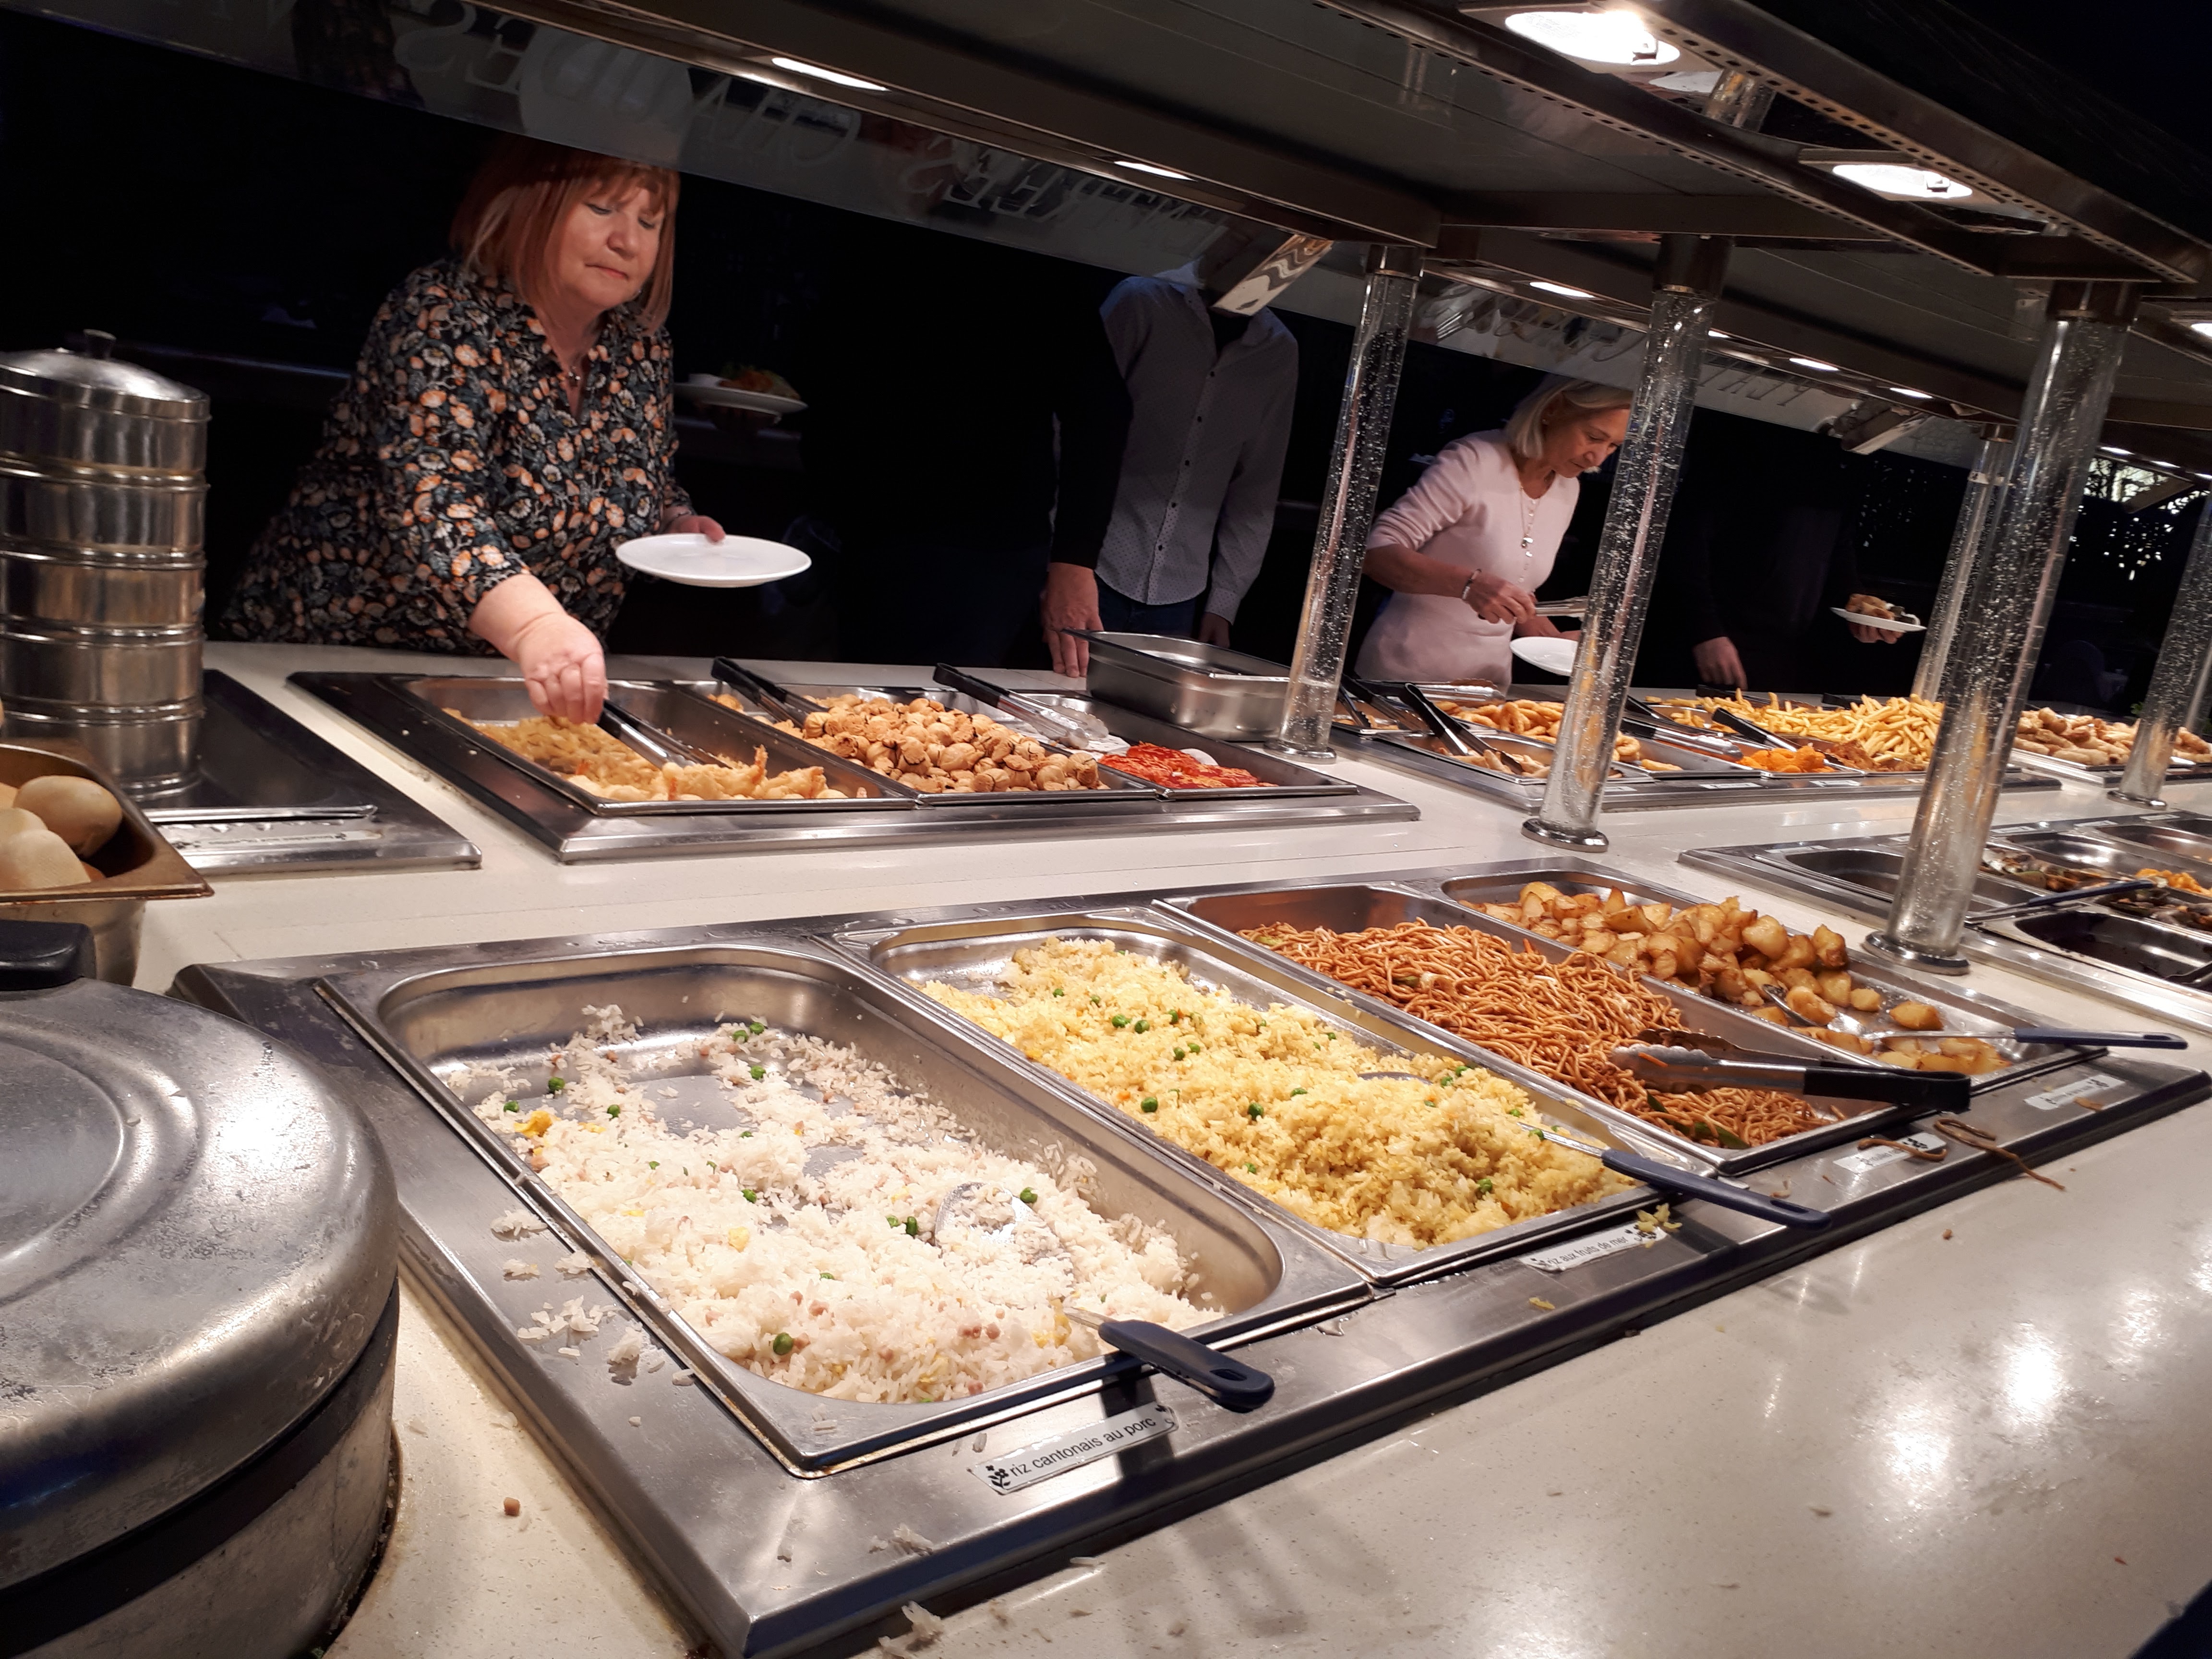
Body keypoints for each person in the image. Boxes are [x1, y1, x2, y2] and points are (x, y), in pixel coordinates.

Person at [221, 136, 722, 723]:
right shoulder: (445, 311)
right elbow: (435, 502)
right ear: (529, 205)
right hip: (334, 665)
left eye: (649, 221)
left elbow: (632, 473)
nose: (626, 240)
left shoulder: (641, 345)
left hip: (508, 685)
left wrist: (674, 521)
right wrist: (537, 625)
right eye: (602, 208)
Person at [801, 229, 1129, 670]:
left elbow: (1102, 413)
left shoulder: (1031, 263)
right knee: (856, 697)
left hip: (977, 552)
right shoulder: (880, 242)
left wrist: (1075, 560)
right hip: (860, 535)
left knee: (928, 705)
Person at [1039, 274, 1298, 676]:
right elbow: (1072, 432)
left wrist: (1225, 600)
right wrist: (1060, 562)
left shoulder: (1278, 348)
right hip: (1094, 568)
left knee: (1149, 716)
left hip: (1181, 592)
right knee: (1054, 695)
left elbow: (1257, 487)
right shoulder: (1143, 302)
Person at [1354, 378, 1631, 686]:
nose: (1598, 458)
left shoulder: (1568, 487)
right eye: (1593, 437)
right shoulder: (1474, 460)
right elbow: (1377, 552)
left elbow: (1514, 596)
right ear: (1552, 409)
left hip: (1488, 683)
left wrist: (1556, 644)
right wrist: (1469, 585)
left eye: (1612, 446)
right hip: (1407, 674)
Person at [1655, 414, 1904, 693]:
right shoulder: (1746, 434)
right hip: (1710, 642)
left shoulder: (1841, 458)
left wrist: (1859, 612)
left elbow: (1837, 553)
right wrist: (1705, 632)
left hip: (1781, 650)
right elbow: (1687, 541)